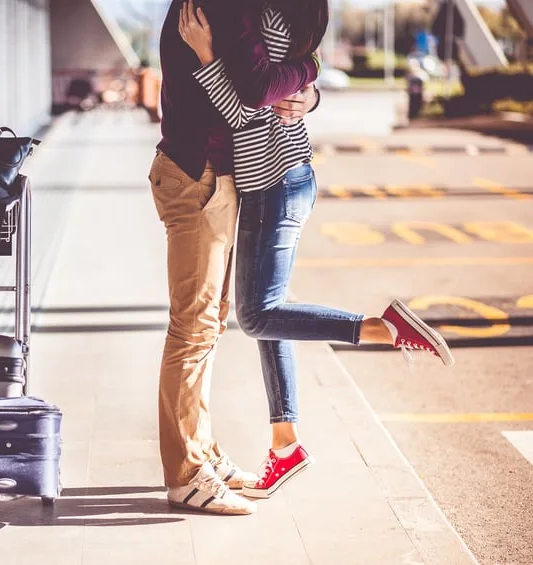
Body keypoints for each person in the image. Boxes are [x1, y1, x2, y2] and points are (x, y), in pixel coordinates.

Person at [178, 0, 454, 503]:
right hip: (283, 177)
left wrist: (204, 58)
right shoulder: (297, 16)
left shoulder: (264, 20)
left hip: (274, 183)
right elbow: (288, 90)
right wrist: (311, 86)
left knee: (259, 316)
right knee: (272, 310)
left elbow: (246, 108)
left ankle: (382, 328)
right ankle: (286, 443)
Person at [150, 0, 324, 515]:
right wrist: (311, 70)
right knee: (192, 328)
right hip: (195, 172)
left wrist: (307, 92)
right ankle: (184, 476)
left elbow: (267, 84)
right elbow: (251, 97)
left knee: (209, 326)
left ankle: (203, 453)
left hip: (212, 174)